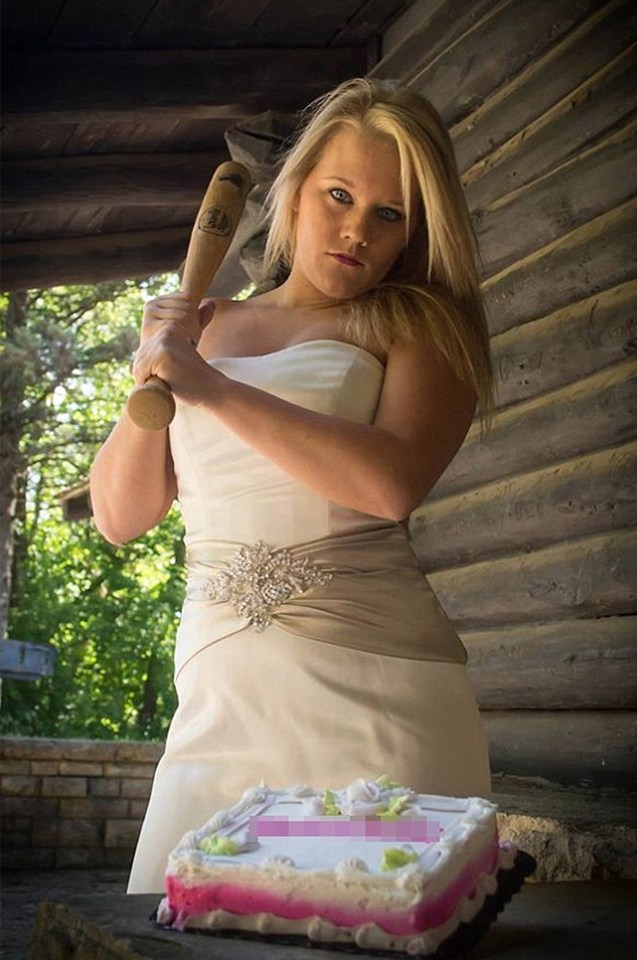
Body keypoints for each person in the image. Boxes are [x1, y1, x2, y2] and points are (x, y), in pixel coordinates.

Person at [90, 77, 494, 894]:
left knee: (377, 922)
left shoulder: (419, 324)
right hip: (217, 695)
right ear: (295, 190)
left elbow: (390, 485)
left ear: (417, 229)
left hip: (372, 694)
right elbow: (119, 517)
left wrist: (210, 388)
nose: (356, 231)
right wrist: (157, 364)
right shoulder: (208, 327)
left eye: (391, 214)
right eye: (339, 194)